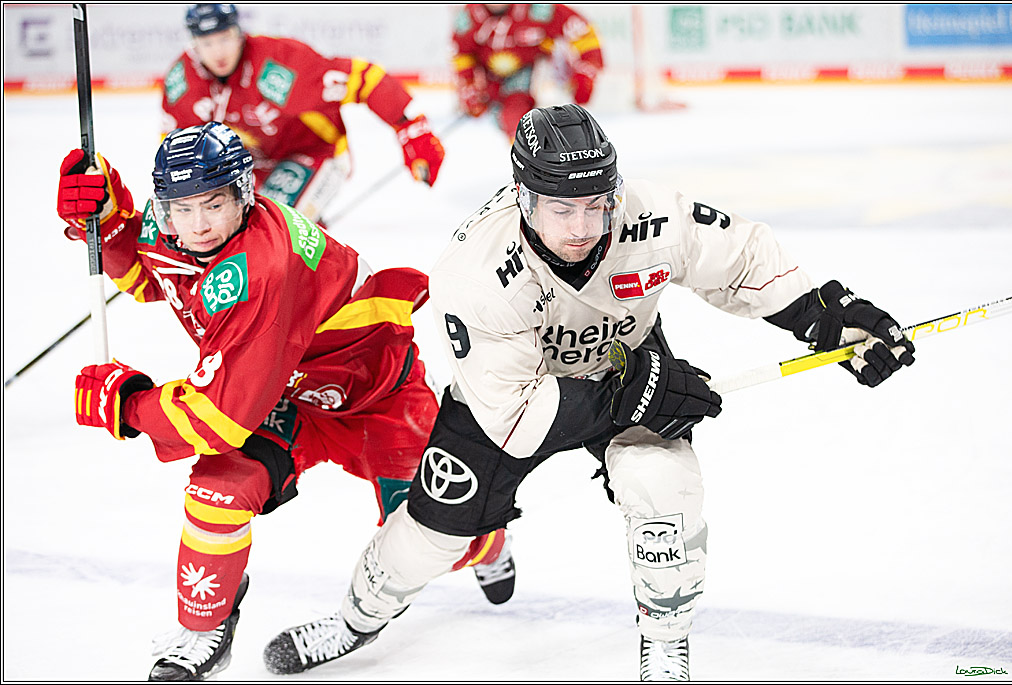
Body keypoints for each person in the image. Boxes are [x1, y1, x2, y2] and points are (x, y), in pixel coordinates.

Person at [259, 104, 917, 680]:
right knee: (431, 531)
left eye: (597, 204)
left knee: (665, 492)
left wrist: (827, 318)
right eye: (562, 208)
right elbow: (515, 419)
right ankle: (357, 618)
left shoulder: (648, 212)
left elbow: (741, 259)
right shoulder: (474, 271)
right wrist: (630, 392)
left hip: (627, 363)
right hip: (508, 400)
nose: (583, 226)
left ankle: (665, 647)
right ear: (524, 200)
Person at [55, 122, 512, 682]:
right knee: (219, 488)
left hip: (377, 399)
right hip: (286, 395)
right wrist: (104, 220)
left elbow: (218, 417)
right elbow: (151, 275)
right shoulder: (174, 222)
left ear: (244, 195)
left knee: (427, 540)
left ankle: (484, 542)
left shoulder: (262, 270)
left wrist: (127, 403)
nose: (196, 225)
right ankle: (204, 628)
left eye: (213, 205)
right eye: (182, 208)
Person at [162, 4, 446, 226]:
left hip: (316, 154)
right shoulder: (183, 84)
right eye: (207, 42)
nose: (218, 51)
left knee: (271, 226)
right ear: (193, 44)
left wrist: (413, 129)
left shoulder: (280, 63)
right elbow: (178, 152)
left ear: (239, 33)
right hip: (251, 169)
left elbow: (365, 78)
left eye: (224, 38)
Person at [452, 3, 603, 139]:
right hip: (496, 83)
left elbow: (583, 33)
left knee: (547, 111)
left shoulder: (537, 9)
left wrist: (586, 71)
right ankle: (530, 157)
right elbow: (461, 54)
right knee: (512, 122)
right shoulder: (469, 16)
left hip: (542, 71)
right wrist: (469, 86)